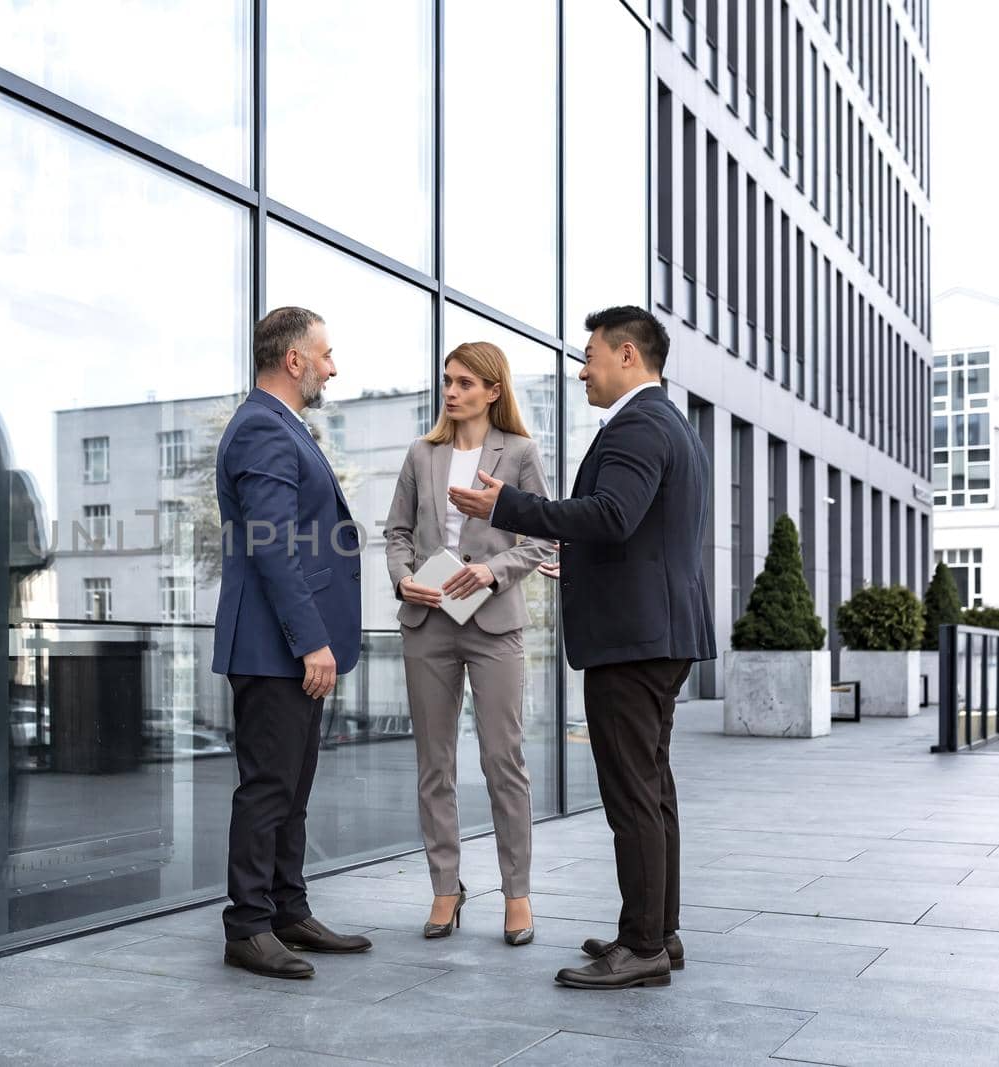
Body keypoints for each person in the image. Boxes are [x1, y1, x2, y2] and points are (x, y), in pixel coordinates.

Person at [449, 306, 716, 991]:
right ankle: (659, 930)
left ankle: (643, 944)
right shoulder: (670, 424)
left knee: (632, 794)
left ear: (628, 355)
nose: (581, 368)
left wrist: (505, 505)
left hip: (633, 640)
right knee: (652, 789)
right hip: (657, 630)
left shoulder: (637, 424)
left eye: (590, 355)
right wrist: (590, 564)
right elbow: (641, 532)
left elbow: (612, 514)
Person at [212, 306, 372, 979]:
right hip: (273, 649)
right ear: (294, 359)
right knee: (268, 788)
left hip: (288, 648)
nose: (333, 366)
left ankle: (287, 908)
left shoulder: (281, 427)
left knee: (293, 787)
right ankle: (247, 925)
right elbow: (273, 545)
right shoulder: (262, 429)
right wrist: (311, 641)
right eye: (326, 354)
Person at [384, 342, 553, 945]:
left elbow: (543, 538)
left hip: (493, 623)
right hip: (427, 622)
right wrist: (403, 577)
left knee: (503, 759)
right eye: (447, 382)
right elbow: (396, 533)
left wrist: (493, 570)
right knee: (435, 763)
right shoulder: (420, 454)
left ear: (492, 390)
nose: (451, 392)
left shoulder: (522, 453)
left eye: (463, 383)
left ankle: (518, 894)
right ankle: (445, 888)